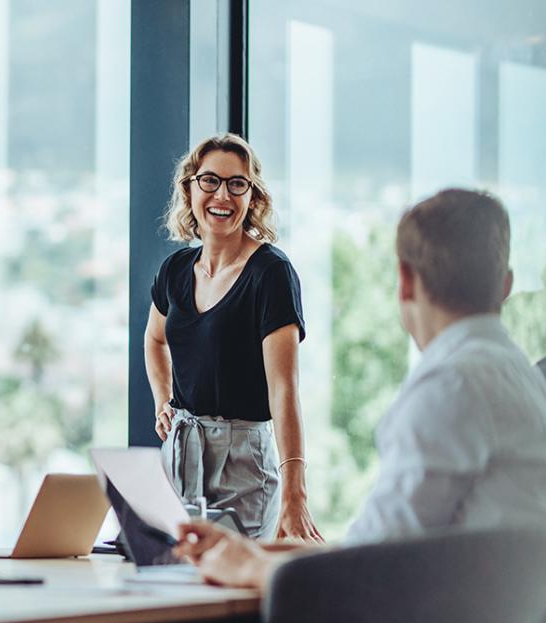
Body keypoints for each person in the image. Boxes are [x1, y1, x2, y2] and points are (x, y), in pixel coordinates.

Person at [174, 189, 546, 589]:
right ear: (505, 285)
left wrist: (248, 568)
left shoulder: (451, 387)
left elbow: (367, 571)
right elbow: (378, 545)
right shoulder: (524, 381)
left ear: (404, 282)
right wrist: (253, 551)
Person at [145, 133, 321, 541]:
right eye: (209, 180)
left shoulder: (271, 273)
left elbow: (284, 389)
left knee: (234, 593)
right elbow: (155, 341)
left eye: (236, 183)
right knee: (176, 584)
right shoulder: (174, 270)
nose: (221, 195)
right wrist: (162, 401)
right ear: (189, 188)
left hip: (243, 461)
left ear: (252, 196)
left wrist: (296, 494)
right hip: (180, 453)